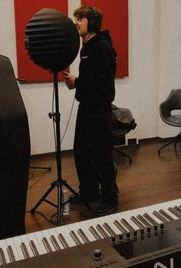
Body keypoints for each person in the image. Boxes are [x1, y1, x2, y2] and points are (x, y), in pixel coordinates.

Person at [64, 5, 118, 216]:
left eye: (80, 18)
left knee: (102, 155)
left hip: (98, 110)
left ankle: (110, 199)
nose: (75, 22)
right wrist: (78, 83)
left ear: (92, 22)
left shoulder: (103, 47)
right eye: (75, 18)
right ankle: (88, 192)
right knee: (82, 152)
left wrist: (78, 81)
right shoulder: (85, 48)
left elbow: (103, 84)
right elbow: (90, 80)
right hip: (85, 107)